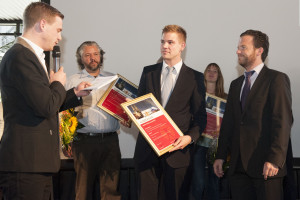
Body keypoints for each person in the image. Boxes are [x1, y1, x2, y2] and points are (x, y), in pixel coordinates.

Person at [0, 2, 90, 200]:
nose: (60, 36)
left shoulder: (29, 56)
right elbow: (46, 106)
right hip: (25, 165)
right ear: (42, 24)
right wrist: (57, 83)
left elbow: (42, 103)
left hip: (35, 164)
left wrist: (73, 93)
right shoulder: (20, 56)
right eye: (58, 30)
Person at [213, 29, 293, 200]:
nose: (237, 51)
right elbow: (229, 124)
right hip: (237, 169)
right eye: (237, 47)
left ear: (259, 50)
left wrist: (274, 159)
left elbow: (283, 122)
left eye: (243, 47)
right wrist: (220, 156)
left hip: (266, 167)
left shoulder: (276, 79)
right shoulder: (236, 85)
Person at [134, 24, 207, 200]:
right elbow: (139, 106)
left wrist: (189, 138)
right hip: (147, 153)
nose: (165, 46)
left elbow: (200, 117)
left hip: (178, 154)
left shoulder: (194, 77)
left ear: (182, 46)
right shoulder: (148, 72)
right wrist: (131, 116)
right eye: (162, 41)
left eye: (170, 42)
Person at [65, 41, 121, 200]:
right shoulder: (72, 81)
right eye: (87, 55)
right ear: (81, 59)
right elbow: (65, 113)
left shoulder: (113, 79)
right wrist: (66, 141)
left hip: (110, 141)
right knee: (83, 190)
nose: (92, 58)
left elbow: (121, 107)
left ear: (100, 56)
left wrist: (125, 116)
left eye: (96, 54)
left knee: (111, 191)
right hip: (83, 142)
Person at [191, 63, 227, 200]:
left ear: (219, 76)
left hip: (216, 146)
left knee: (214, 183)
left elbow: (229, 123)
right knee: (198, 183)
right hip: (199, 144)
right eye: (209, 70)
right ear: (204, 74)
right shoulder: (197, 96)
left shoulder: (225, 98)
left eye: (215, 71)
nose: (212, 73)